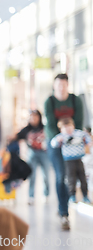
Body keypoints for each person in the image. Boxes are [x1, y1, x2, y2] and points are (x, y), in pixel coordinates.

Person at [44, 73, 84, 230]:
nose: (61, 88)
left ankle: (67, 203)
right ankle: (64, 212)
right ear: (54, 86)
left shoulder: (75, 100)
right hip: (55, 145)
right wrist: (59, 139)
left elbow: (80, 121)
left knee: (71, 176)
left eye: (64, 85)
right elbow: (50, 125)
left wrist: (75, 138)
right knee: (61, 176)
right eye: (58, 85)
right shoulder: (50, 101)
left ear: (67, 85)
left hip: (72, 144)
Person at [50, 117, 91, 204]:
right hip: (68, 160)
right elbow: (53, 144)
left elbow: (87, 138)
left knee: (82, 177)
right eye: (65, 127)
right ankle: (72, 195)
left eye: (69, 126)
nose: (68, 129)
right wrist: (58, 140)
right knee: (71, 178)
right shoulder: (62, 136)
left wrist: (88, 143)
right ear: (61, 129)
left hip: (79, 158)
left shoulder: (79, 133)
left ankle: (85, 195)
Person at [15, 110, 50, 205]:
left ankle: (46, 195)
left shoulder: (45, 128)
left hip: (44, 154)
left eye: (35, 117)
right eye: (32, 117)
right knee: (32, 175)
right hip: (32, 154)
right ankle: (31, 197)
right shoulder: (26, 129)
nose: (34, 119)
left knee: (46, 175)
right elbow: (16, 137)